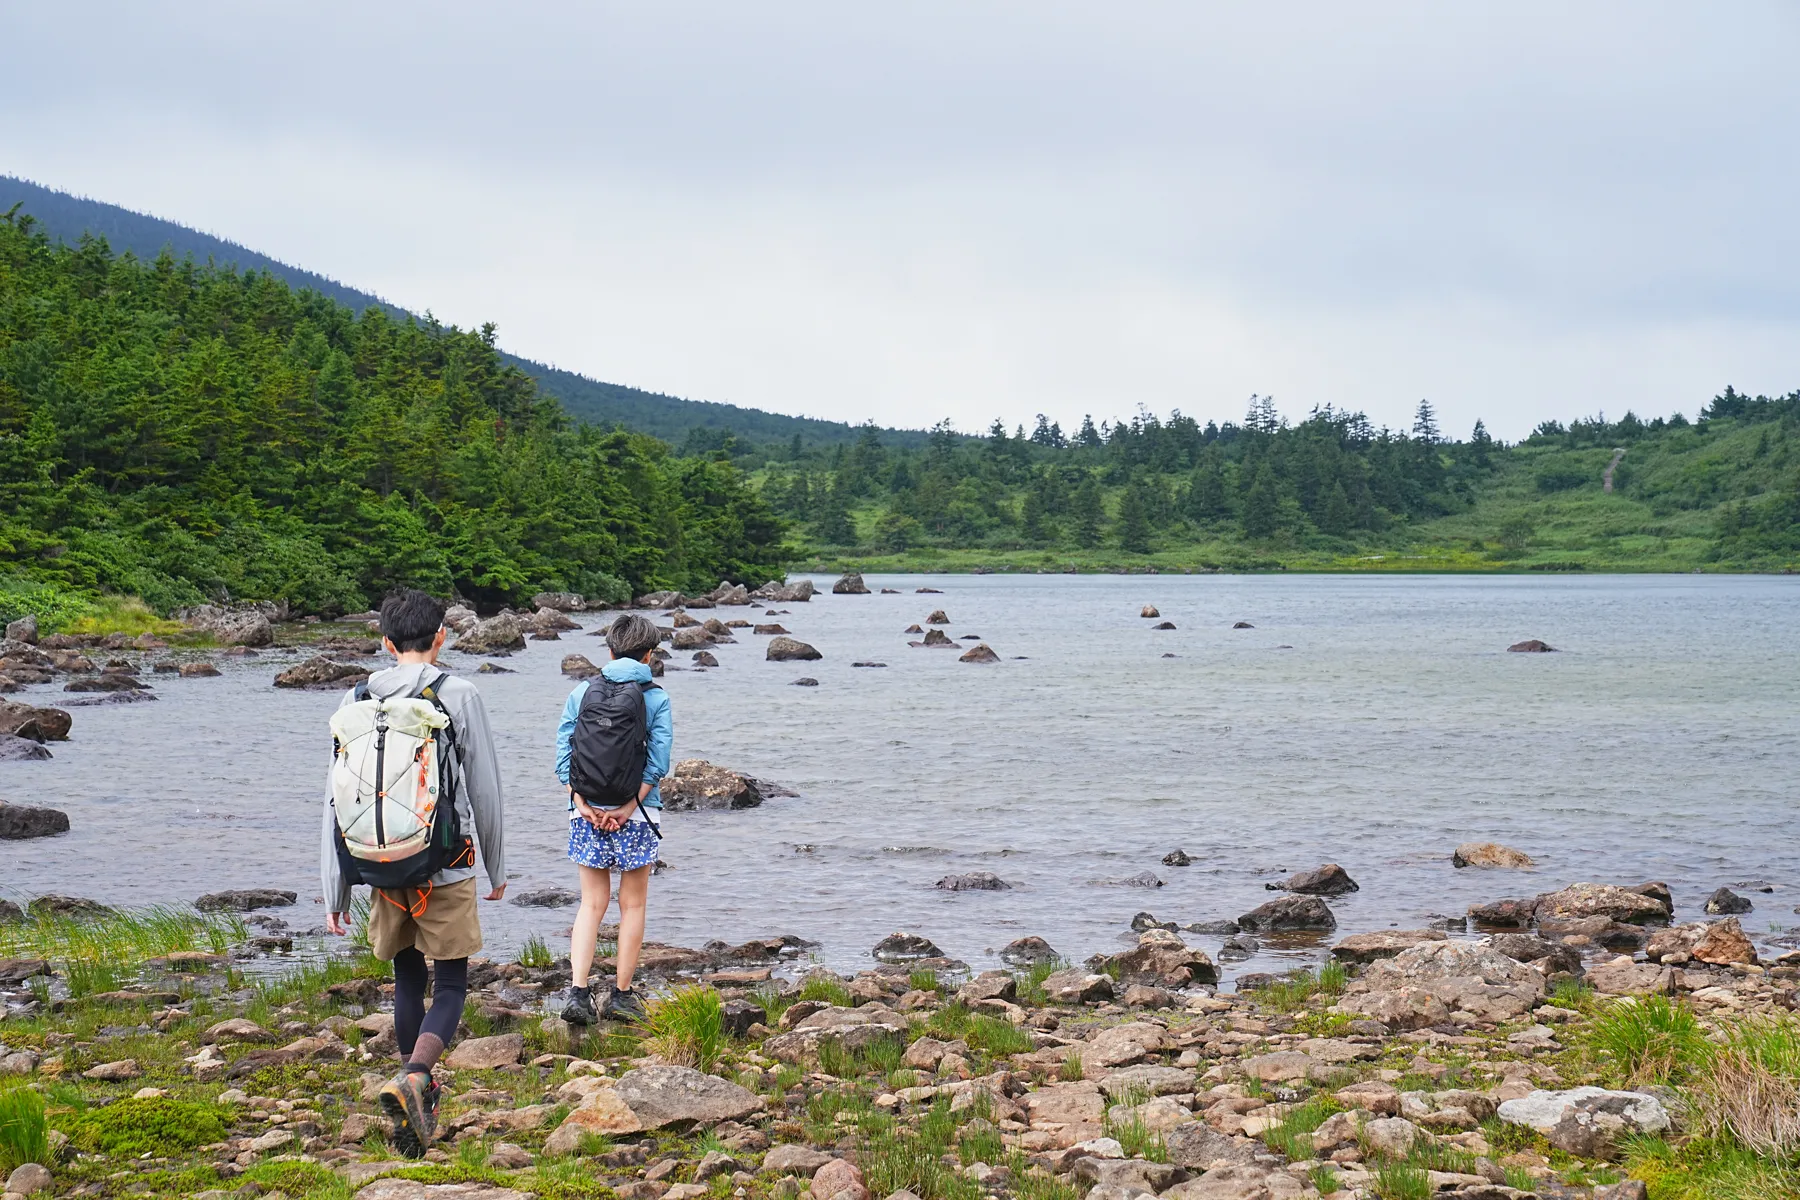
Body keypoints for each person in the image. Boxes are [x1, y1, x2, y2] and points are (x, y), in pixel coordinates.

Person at [321, 588, 506, 1158]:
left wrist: (335, 887)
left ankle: (410, 1099)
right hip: (445, 863)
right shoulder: (458, 692)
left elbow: (332, 798)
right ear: (441, 637)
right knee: (450, 984)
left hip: (379, 863)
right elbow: (485, 786)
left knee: (406, 978)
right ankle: (417, 1077)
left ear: (385, 642)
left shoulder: (358, 697)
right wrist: (496, 864)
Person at [556, 612, 670, 1024]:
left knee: (591, 904)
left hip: (584, 812)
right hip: (637, 814)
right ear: (649, 654)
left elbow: (563, 754)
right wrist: (627, 807)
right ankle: (622, 996)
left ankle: (578, 993)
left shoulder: (582, 691)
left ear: (609, 650)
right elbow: (658, 762)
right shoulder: (655, 696)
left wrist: (582, 802)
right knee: (633, 904)